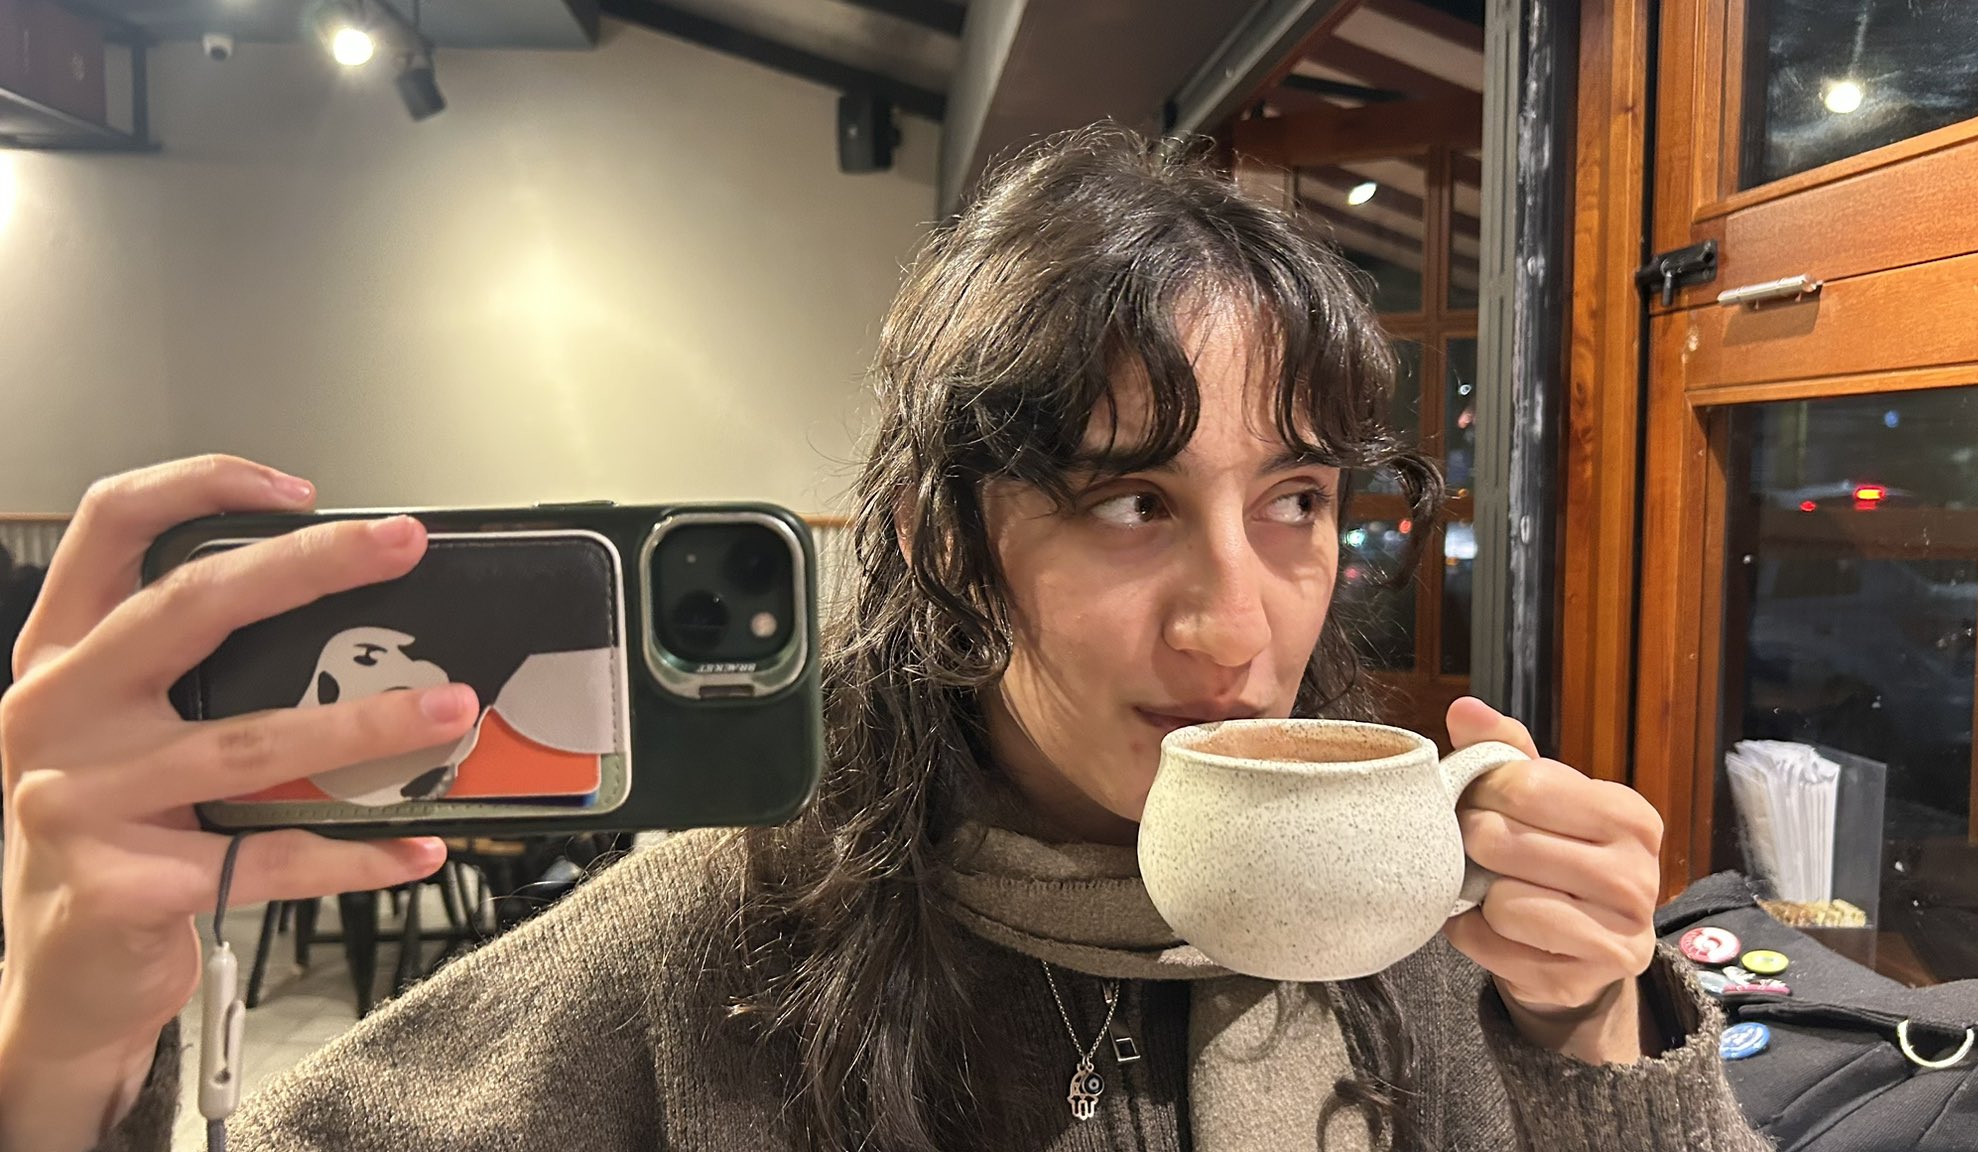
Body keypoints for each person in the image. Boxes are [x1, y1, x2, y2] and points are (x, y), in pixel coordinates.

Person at [0, 126, 1767, 1152]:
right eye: (1129, 501)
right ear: (937, 538)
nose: (1240, 618)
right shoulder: (722, 947)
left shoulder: (1420, 924)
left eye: (1295, 500)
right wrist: (60, 1054)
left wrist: (1594, 1041)